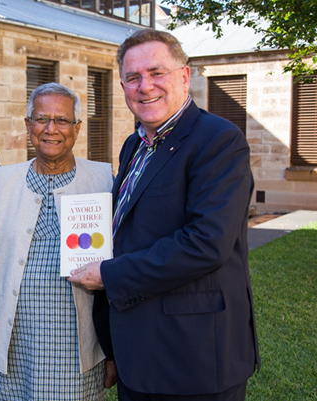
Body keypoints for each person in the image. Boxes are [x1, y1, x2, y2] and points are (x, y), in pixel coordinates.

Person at [69, 29, 260, 400]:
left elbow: (206, 244)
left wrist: (109, 273)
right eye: (133, 77)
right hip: (139, 351)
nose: (145, 86)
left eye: (157, 73)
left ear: (185, 76)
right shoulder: (134, 144)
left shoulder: (217, 140)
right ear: (122, 85)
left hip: (194, 355)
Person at [0, 83, 116, 400]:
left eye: (61, 120)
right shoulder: (3, 180)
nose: (50, 129)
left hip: (77, 348)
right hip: (16, 344)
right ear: (27, 125)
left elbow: (121, 264)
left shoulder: (103, 180)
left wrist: (113, 350)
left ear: (77, 128)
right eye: (41, 119)